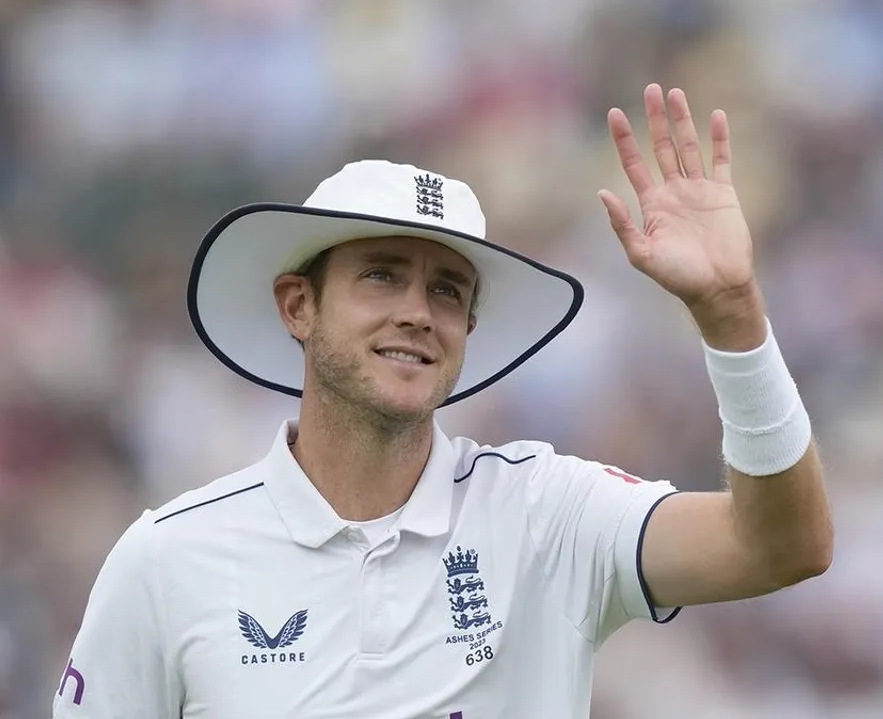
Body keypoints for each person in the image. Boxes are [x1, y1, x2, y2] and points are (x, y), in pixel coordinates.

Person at [52, 84, 833, 719]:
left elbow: (782, 547)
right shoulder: (167, 559)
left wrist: (731, 314)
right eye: (382, 274)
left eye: (447, 290)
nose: (419, 312)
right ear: (298, 306)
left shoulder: (544, 513)